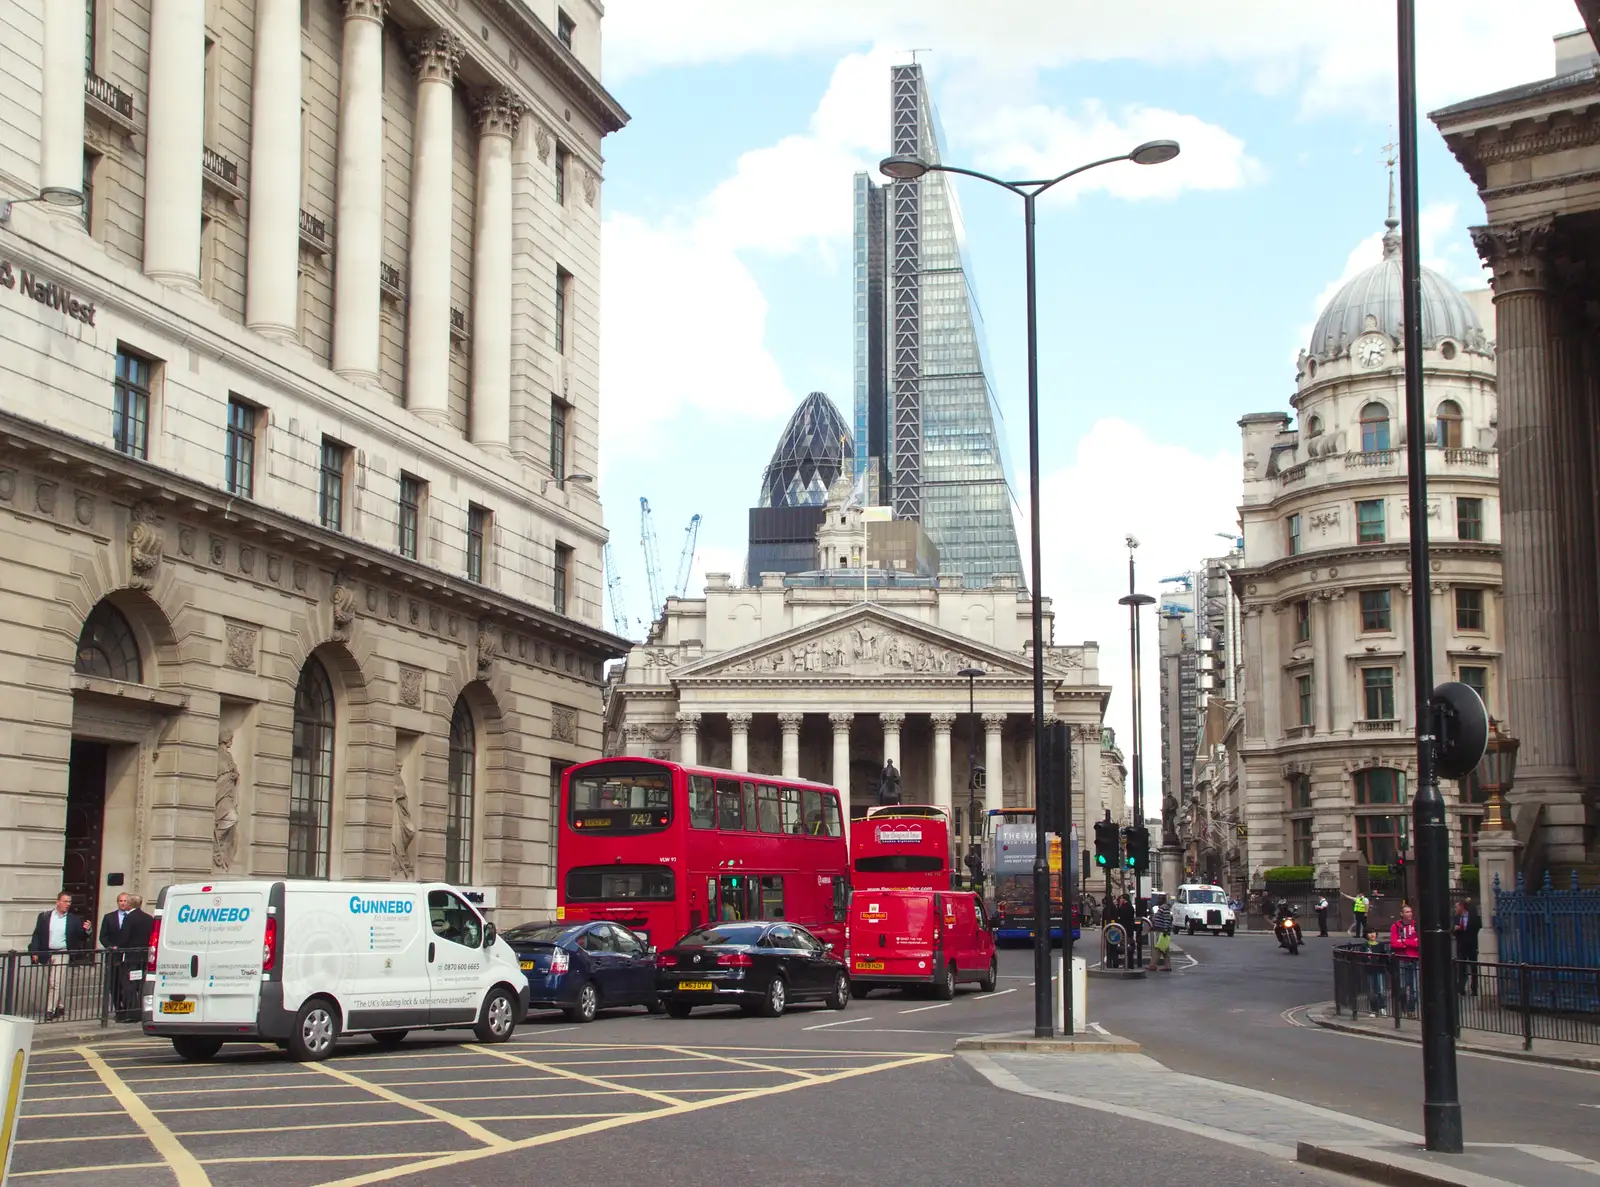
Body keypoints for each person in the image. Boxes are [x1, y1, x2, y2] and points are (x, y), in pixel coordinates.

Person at [29, 891, 91, 1020]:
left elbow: (81, 937)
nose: (68, 904)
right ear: (58, 902)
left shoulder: (74, 919)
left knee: (55, 983)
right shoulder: (45, 917)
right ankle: (60, 1005)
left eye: (69, 902)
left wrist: (87, 930)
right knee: (50, 982)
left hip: (62, 953)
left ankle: (50, 1011)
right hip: (46, 952)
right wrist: (34, 951)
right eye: (65, 901)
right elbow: (37, 935)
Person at [1389, 903, 1420, 1016]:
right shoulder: (1396, 927)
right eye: (1407, 912)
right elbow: (1393, 943)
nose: (1410, 914)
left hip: (1414, 959)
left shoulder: (1416, 926)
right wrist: (1410, 943)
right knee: (1402, 987)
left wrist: (1404, 942)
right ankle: (1403, 1007)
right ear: (1402, 914)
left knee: (1415, 989)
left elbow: (1418, 943)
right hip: (1401, 959)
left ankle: (1411, 1010)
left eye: (1410, 911)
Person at [1453, 897, 1482, 996]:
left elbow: (1478, 928)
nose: (1455, 909)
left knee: (1474, 967)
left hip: (1472, 945)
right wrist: (1455, 929)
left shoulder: (1473, 917)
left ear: (1462, 907)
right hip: (1461, 945)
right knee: (1461, 967)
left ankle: (1474, 988)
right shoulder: (1456, 918)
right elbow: (1451, 930)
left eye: (1456, 907)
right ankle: (1461, 988)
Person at [1146, 895, 1174, 973]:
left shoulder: (1164, 908)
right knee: (1165, 949)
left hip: (1162, 932)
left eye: (1159, 899)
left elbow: (1166, 920)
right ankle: (1167, 966)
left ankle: (1152, 965)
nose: (1157, 900)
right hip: (1160, 930)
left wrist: (1165, 930)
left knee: (1158, 948)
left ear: (1163, 900)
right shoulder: (1162, 907)